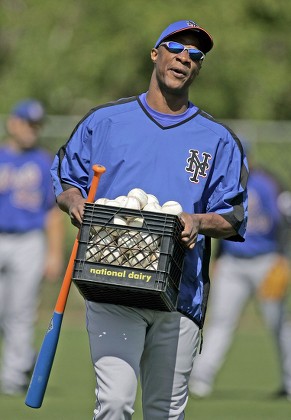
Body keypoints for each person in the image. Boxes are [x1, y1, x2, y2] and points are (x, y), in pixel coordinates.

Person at [50, 19, 248, 419]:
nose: (185, 58)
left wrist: (198, 221)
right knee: (115, 403)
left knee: (165, 412)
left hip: (180, 291)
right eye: (176, 47)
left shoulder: (218, 139)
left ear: (198, 68)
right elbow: (66, 178)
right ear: (156, 53)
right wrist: (74, 202)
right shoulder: (105, 121)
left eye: (196, 55)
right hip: (110, 282)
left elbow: (234, 216)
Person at [189, 151, 291, 401]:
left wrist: (283, 259)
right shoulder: (225, 184)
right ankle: (200, 379)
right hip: (233, 265)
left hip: (267, 261)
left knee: (279, 324)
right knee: (221, 321)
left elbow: (287, 222)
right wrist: (220, 259)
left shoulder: (268, 183)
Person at [0, 99, 64, 396]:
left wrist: (54, 254)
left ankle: (13, 376)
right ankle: (24, 358)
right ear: (13, 123)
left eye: (36, 125)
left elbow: (52, 212)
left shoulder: (43, 162)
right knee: (4, 311)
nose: (31, 130)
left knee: (21, 310)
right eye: (27, 123)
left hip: (28, 241)